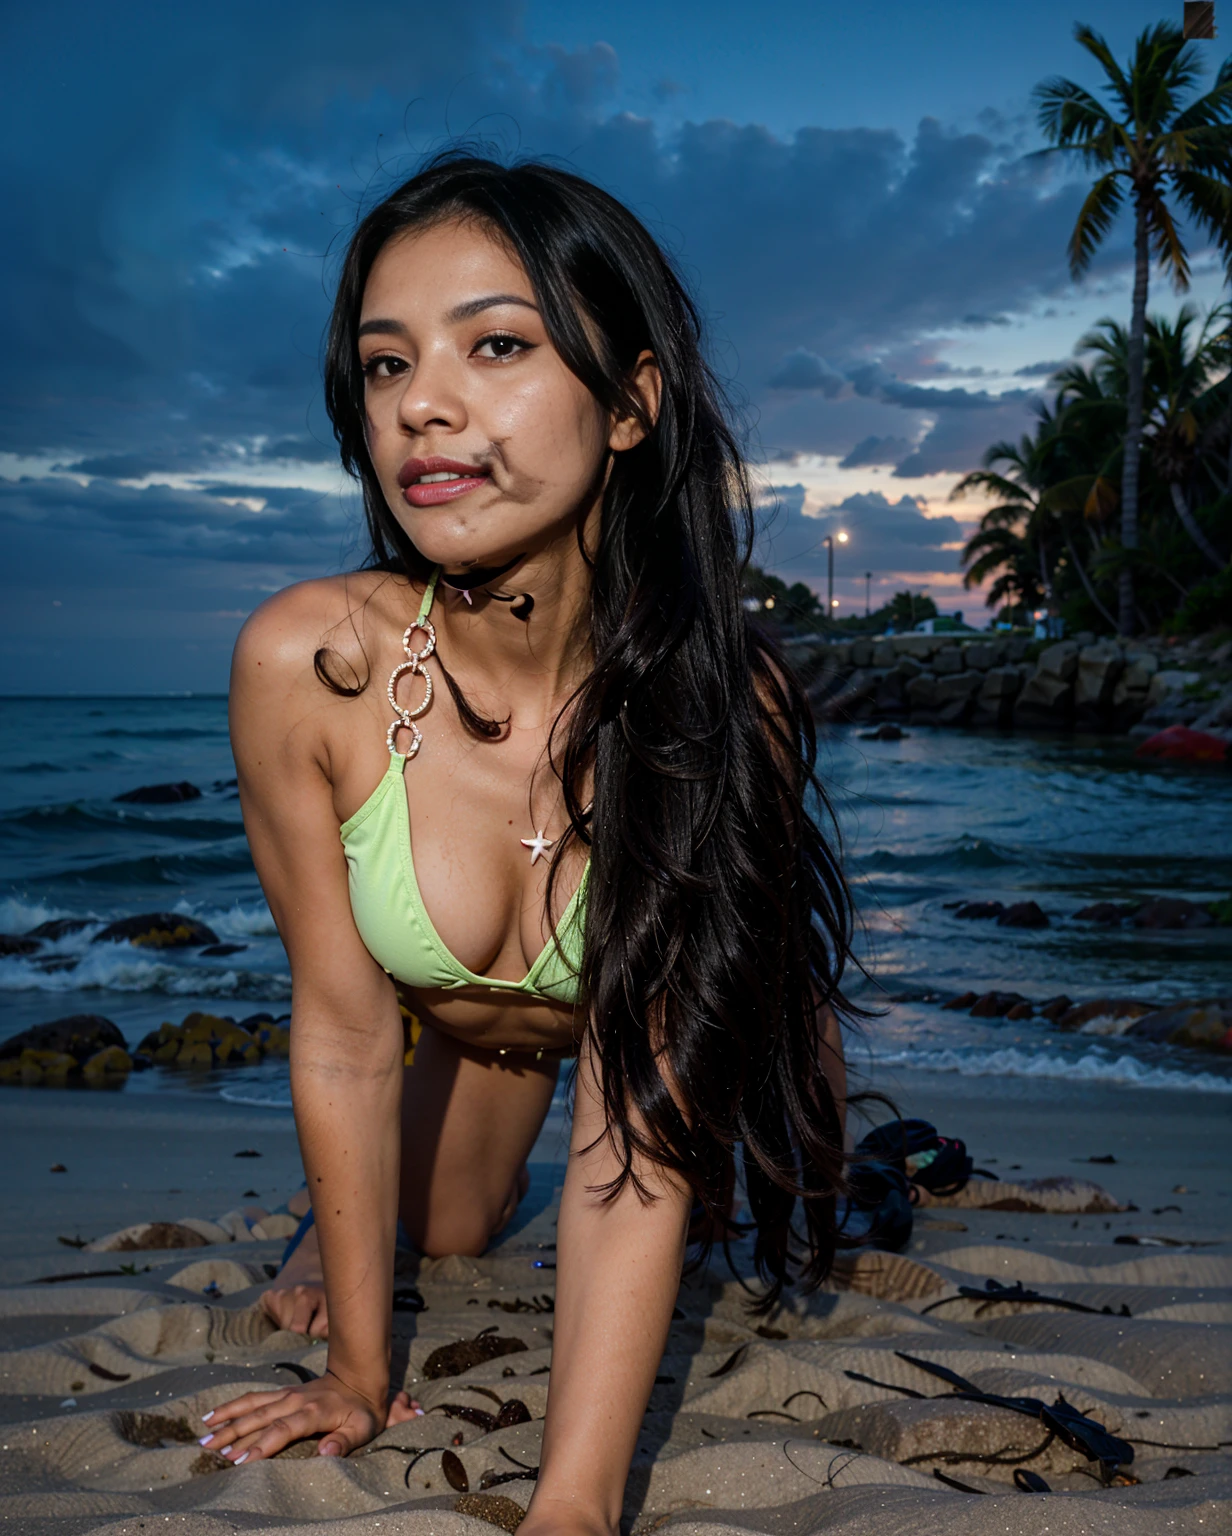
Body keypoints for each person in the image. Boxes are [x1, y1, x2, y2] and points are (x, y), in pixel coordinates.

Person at [198, 152, 855, 1536]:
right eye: (384, 367)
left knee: (772, 1151)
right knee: (443, 1228)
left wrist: (571, 1508)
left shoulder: (728, 707)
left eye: (496, 345)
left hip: (634, 1038)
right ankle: (343, 1224)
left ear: (629, 405)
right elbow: (342, 1032)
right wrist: (358, 1376)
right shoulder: (308, 663)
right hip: (464, 1031)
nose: (421, 404)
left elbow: (636, 1142)